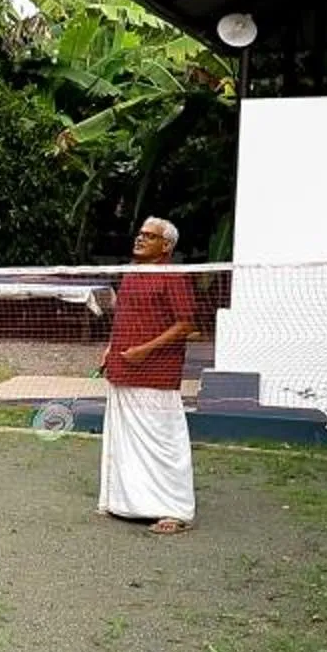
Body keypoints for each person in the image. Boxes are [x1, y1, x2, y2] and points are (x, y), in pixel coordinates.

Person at [98, 216, 199, 535]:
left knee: (162, 440)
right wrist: (110, 347)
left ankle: (175, 510)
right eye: (140, 233)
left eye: (149, 236)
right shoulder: (131, 273)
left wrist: (145, 350)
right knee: (124, 439)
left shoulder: (174, 276)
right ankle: (125, 503)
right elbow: (124, 316)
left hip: (156, 373)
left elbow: (186, 324)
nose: (140, 239)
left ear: (166, 245)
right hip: (122, 369)